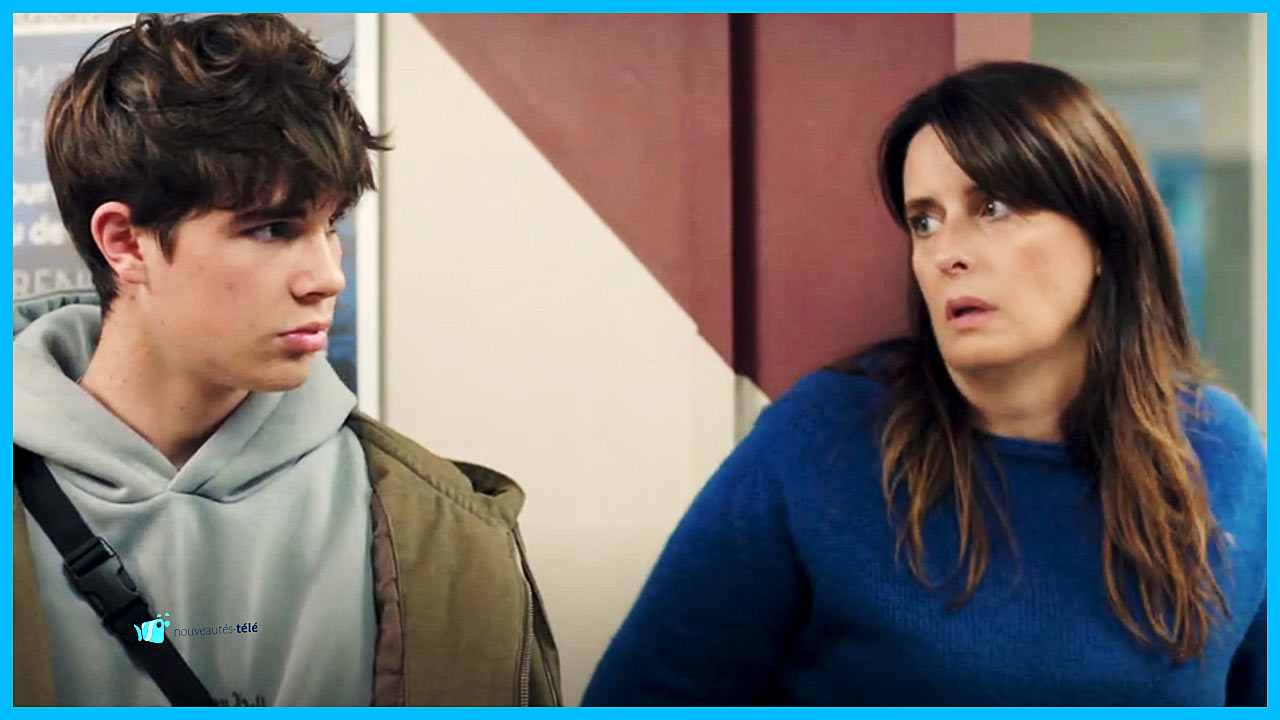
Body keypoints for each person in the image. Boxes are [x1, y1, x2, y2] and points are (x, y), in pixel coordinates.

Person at [581, 61, 1265, 706]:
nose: (946, 253)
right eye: (924, 222)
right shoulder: (822, 440)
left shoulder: (1221, 451)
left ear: (1105, 236)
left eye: (993, 207)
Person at [12, 13, 559, 706]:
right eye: (272, 229)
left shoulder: (445, 534)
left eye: (331, 226)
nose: (327, 276)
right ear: (125, 242)